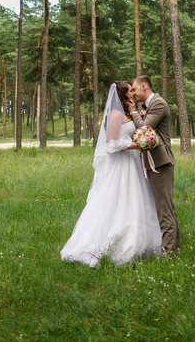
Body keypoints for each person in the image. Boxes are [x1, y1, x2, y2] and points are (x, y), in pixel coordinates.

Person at [60, 81, 162, 267]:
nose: (134, 92)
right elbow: (111, 143)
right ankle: (113, 246)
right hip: (121, 163)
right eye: (131, 90)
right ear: (124, 94)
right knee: (117, 199)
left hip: (132, 163)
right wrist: (136, 145)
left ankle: (141, 243)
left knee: (136, 200)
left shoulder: (127, 113)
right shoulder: (115, 115)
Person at [129, 75, 181, 253]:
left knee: (164, 209)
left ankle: (169, 253)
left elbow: (144, 128)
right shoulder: (150, 105)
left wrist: (133, 112)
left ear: (144, 87)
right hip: (154, 162)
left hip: (161, 162)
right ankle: (176, 247)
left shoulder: (158, 103)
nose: (133, 93)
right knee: (166, 207)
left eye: (135, 89)